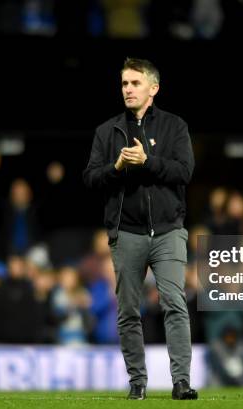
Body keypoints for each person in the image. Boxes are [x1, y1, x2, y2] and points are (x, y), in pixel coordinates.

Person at [83, 57, 197, 400]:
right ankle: (138, 383)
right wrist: (117, 166)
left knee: (174, 304)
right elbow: (90, 178)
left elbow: (184, 172)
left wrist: (149, 162)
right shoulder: (107, 131)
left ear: (153, 88)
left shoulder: (175, 126)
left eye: (135, 83)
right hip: (127, 234)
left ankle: (181, 383)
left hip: (168, 231)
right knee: (128, 311)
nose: (128, 89)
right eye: (124, 84)